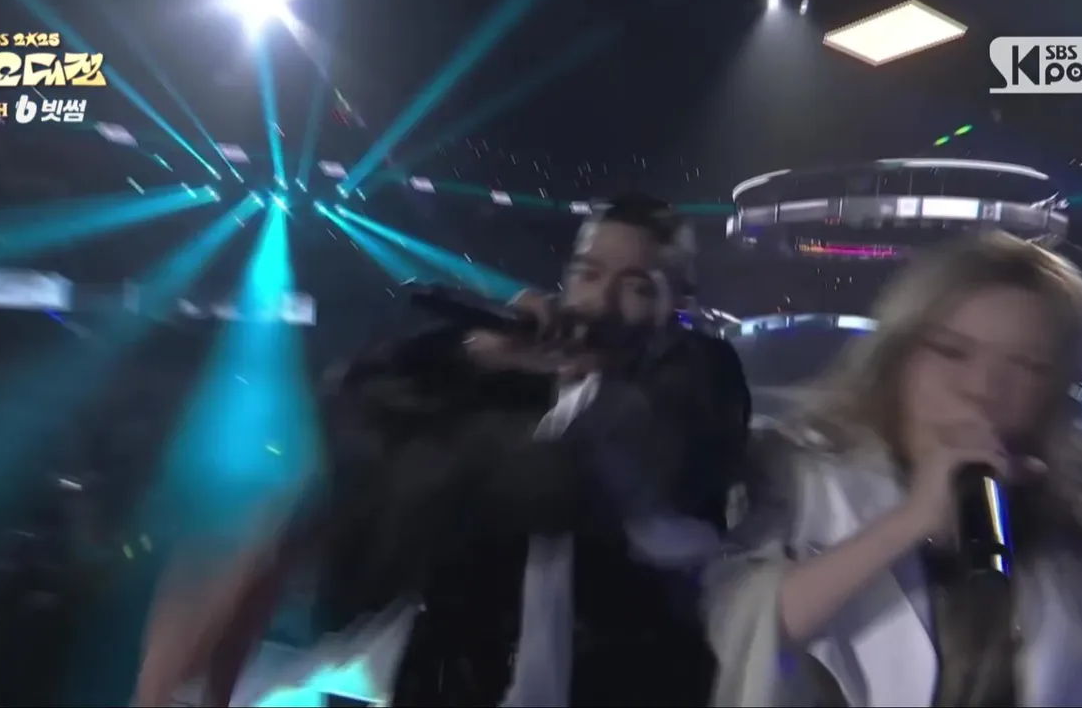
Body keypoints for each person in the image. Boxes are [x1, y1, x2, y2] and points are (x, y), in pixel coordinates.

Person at [132, 194, 752, 706]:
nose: (599, 303)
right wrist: (476, 353)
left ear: (679, 302)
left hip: (616, 681)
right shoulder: (528, 380)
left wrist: (410, 478)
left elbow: (573, 477)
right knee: (273, 504)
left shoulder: (699, 374)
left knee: (325, 492)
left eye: (636, 286)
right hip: (459, 679)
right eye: (588, 275)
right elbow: (354, 395)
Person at [706, 231, 1082, 707]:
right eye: (951, 352)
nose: (983, 388)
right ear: (898, 358)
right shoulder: (797, 477)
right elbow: (741, 627)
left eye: (1027, 365)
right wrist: (911, 520)